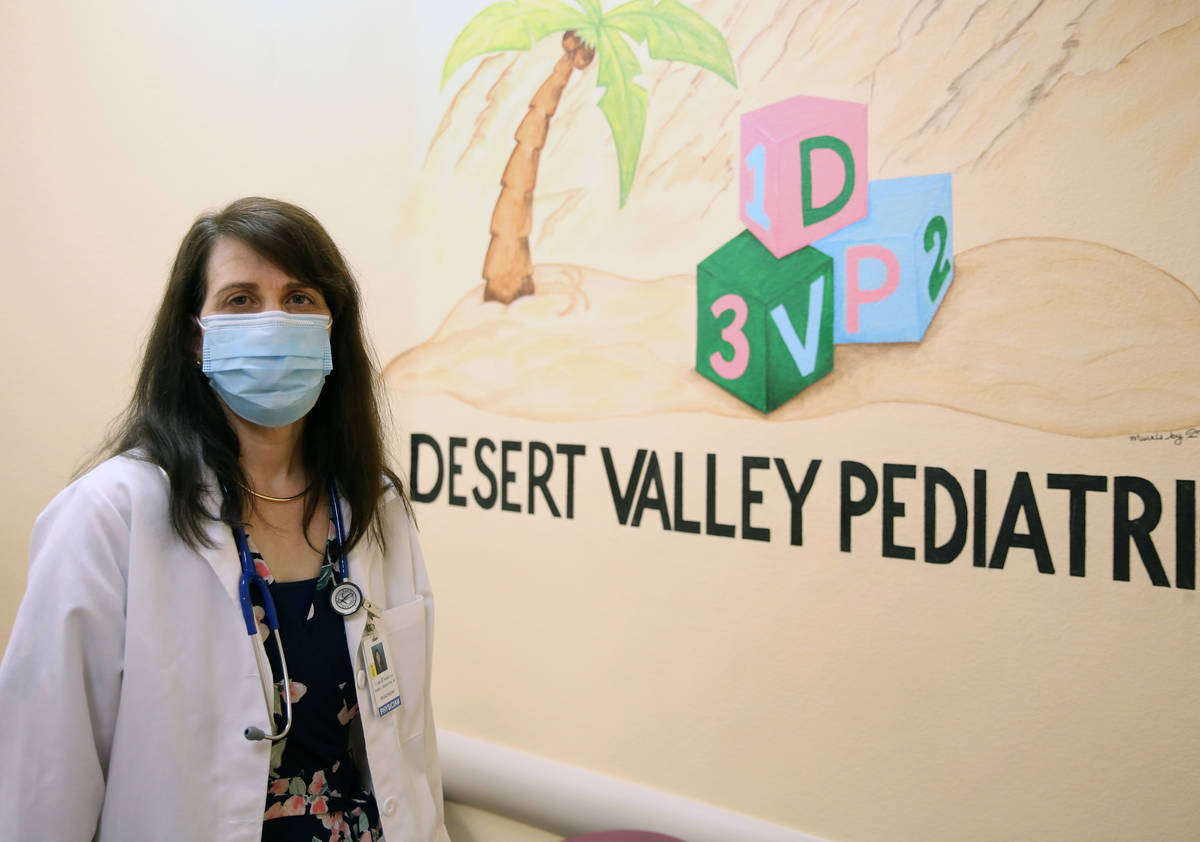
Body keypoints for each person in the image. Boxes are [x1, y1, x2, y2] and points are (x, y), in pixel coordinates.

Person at [0, 198, 449, 842]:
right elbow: (45, 781)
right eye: (240, 299)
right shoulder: (110, 517)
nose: (273, 320)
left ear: (332, 327)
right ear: (194, 334)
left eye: (299, 298)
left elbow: (409, 748)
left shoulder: (374, 507)